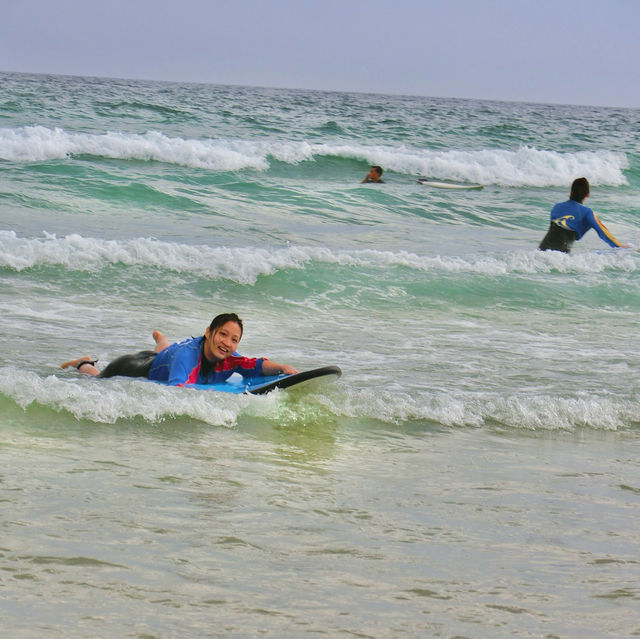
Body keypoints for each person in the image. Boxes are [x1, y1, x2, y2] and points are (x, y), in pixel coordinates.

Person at [61, 312, 298, 386]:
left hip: (167, 355)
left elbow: (255, 365)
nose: (227, 343)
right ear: (209, 332)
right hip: (137, 366)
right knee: (99, 379)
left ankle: (161, 338)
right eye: (223, 334)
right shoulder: (188, 358)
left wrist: (282, 368)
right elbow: (178, 391)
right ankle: (84, 362)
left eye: (234, 339)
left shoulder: (229, 357)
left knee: (167, 350)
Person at [538, 177, 629, 253]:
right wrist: (619, 246)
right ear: (587, 195)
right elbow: (603, 232)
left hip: (542, 248)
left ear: (571, 192)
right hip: (561, 251)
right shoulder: (587, 212)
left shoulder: (556, 207)